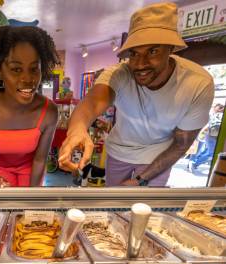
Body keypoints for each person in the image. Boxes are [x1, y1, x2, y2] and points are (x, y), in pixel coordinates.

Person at [58, 2, 214, 187]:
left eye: (153, 51)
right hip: (119, 151)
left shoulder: (197, 84)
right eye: (134, 53)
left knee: (144, 207)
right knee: (113, 205)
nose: (140, 64)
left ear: (170, 49)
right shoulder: (119, 74)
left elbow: (181, 144)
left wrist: (141, 179)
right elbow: (92, 103)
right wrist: (77, 130)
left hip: (159, 155)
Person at [0, 26, 59, 187]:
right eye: (16, 69)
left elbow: (39, 159)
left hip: (32, 171)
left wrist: (33, 197)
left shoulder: (49, 111)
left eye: (34, 69)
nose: (28, 78)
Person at [188, 104, 224, 172]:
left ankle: (193, 162)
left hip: (208, 135)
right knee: (210, 152)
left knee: (206, 150)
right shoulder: (219, 116)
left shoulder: (213, 115)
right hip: (212, 136)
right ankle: (194, 163)